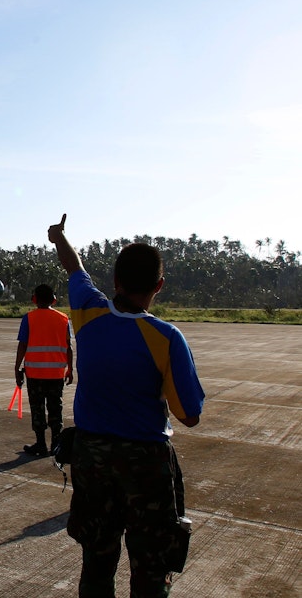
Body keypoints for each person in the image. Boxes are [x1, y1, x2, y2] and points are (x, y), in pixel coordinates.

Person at [47, 214, 205, 598]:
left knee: (97, 563)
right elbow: (190, 416)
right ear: (159, 286)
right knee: (150, 568)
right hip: (145, 463)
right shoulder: (167, 337)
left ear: (116, 282)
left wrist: (58, 237)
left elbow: (74, 266)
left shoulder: (87, 312)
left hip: (91, 458)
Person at [14, 283, 73, 456]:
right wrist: (70, 369)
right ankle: (56, 443)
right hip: (56, 374)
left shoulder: (29, 318)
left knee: (37, 409)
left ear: (34, 299)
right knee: (56, 408)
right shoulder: (63, 319)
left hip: (35, 374)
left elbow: (22, 346)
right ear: (54, 300)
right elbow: (68, 346)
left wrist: (17, 368)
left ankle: (40, 443)